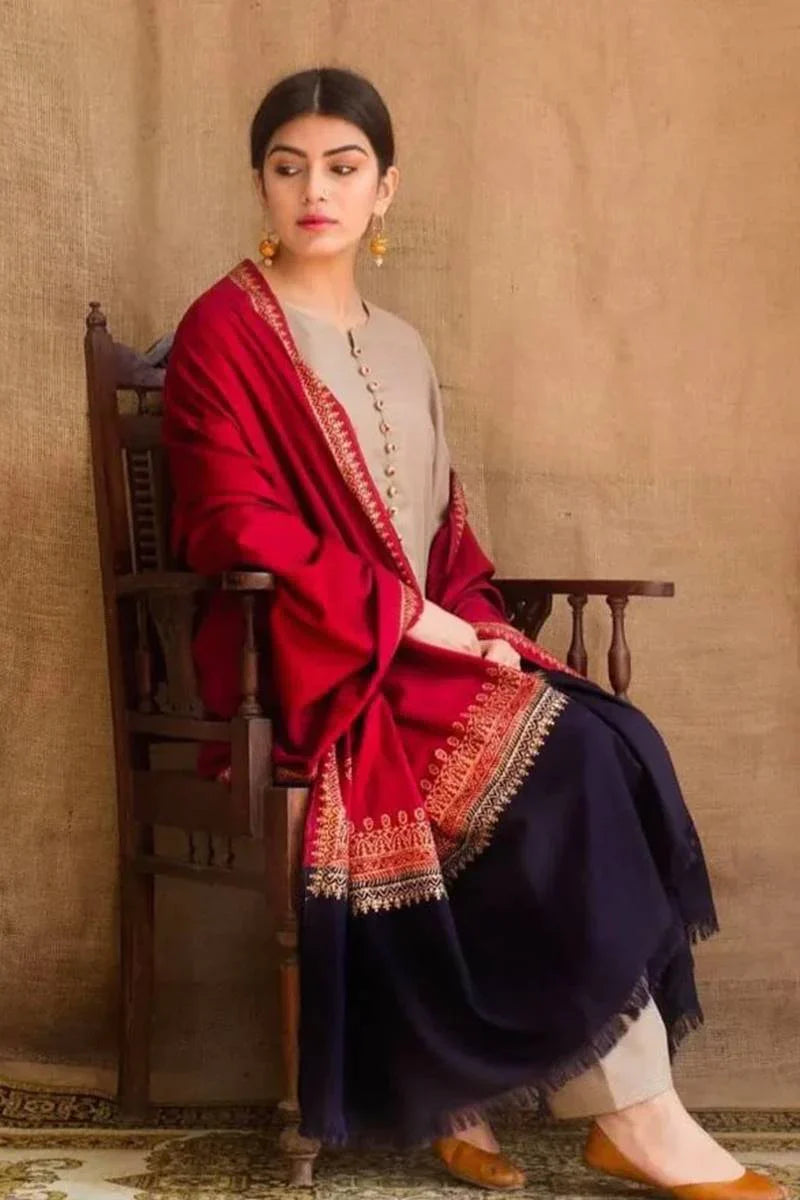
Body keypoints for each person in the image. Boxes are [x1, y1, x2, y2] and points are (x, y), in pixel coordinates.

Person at [162, 67, 786, 1199]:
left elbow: (438, 526)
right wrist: (414, 622)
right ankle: (634, 1118)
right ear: (258, 181)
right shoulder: (222, 331)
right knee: (566, 762)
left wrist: (479, 624)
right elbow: (228, 522)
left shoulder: (400, 344)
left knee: (609, 738)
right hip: (316, 658)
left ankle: (574, 1099)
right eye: (288, 166)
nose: (315, 190)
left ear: (384, 188)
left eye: (342, 168)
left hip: (421, 644)